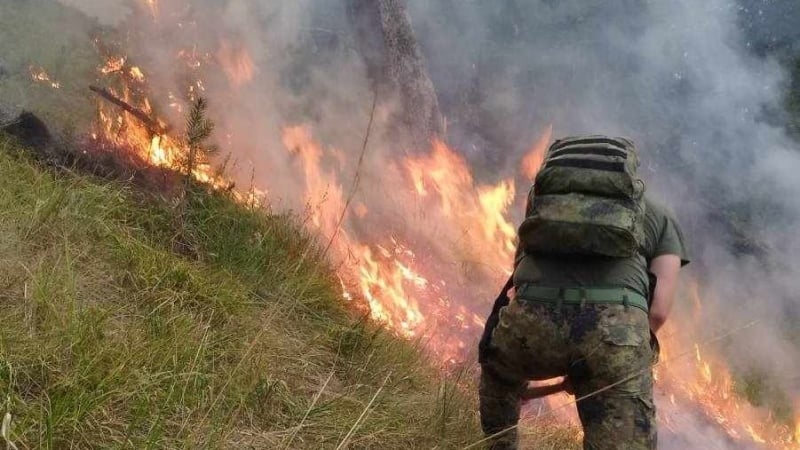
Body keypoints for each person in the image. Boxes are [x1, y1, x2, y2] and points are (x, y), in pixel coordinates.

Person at [478, 135, 690, 450]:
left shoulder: (542, 202)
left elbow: (521, 277)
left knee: (499, 381)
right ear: (627, 174)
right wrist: (597, 363)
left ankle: (500, 444)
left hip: (527, 328)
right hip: (613, 335)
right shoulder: (659, 214)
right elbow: (658, 311)